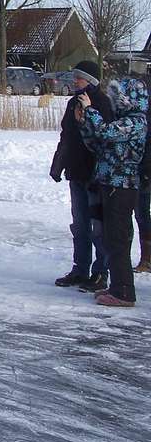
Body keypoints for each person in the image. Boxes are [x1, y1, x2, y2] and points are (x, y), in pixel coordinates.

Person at [79, 77, 147, 307]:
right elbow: (98, 142)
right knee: (110, 237)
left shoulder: (137, 122)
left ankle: (124, 292)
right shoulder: (123, 120)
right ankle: (118, 285)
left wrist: (90, 110)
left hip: (122, 186)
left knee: (118, 238)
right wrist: (84, 123)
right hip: (108, 183)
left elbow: (107, 132)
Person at [50, 61, 112, 288]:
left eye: (80, 78)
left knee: (98, 228)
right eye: (74, 77)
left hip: (95, 175)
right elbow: (66, 137)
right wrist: (58, 164)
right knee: (80, 226)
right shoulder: (71, 103)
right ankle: (80, 269)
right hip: (75, 172)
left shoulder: (103, 103)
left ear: (91, 81)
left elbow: (104, 137)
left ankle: (100, 272)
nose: (75, 81)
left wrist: (89, 112)